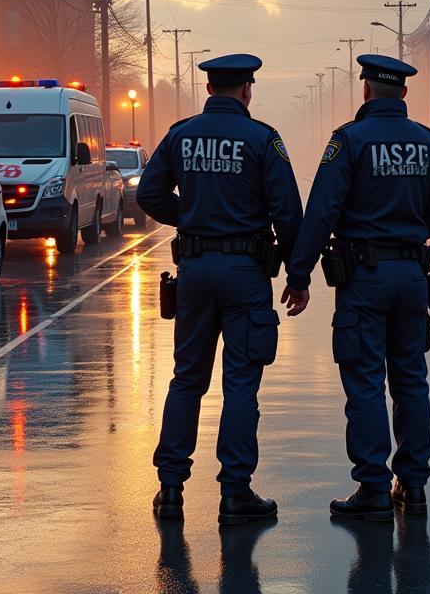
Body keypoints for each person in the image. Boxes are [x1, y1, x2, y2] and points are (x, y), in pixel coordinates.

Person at [282, 54, 430, 521]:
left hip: (364, 278)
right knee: (411, 381)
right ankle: (413, 486)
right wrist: (409, 230)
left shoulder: (349, 141)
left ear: (366, 90)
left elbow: (322, 213)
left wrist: (299, 276)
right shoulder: (429, 144)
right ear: (403, 93)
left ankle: (374, 488)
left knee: (365, 383)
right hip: (413, 276)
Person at [137, 53, 303, 526]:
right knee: (241, 386)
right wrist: (298, 275)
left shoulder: (180, 134)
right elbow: (288, 213)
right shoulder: (263, 139)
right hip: (246, 274)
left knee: (187, 379)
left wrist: (190, 217)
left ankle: (170, 489)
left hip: (194, 270)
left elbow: (148, 196)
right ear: (247, 90)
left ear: (209, 90)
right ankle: (235, 493)